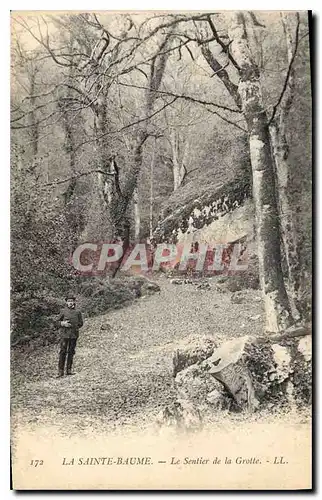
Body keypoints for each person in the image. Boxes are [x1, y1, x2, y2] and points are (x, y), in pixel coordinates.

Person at [57, 295, 83, 378]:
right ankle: (60, 371)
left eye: (72, 301)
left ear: (74, 302)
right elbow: (56, 322)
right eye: (68, 301)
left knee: (71, 352)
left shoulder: (78, 312)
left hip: (74, 335)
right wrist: (62, 323)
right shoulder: (63, 311)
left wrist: (75, 327)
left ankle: (69, 370)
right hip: (64, 335)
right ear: (66, 302)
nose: (70, 303)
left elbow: (81, 323)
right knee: (63, 352)